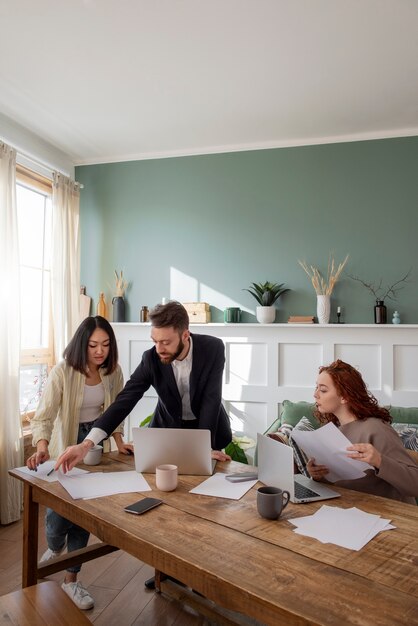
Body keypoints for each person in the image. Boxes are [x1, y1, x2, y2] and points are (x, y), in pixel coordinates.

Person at [27, 315, 132, 609]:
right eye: (94, 345)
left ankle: (71, 579)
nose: (101, 351)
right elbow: (44, 415)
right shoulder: (63, 372)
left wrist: (120, 442)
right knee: (57, 517)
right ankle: (56, 546)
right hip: (67, 442)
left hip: (96, 443)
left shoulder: (114, 373)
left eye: (106, 345)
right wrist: (43, 446)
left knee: (83, 513)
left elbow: (116, 411)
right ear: (81, 345)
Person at [54, 301, 232, 474]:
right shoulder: (151, 359)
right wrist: (86, 444)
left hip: (208, 431)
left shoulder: (212, 348)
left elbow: (211, 398)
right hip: (167, 432)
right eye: (155, 341)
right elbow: (124, 401)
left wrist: (203, 448)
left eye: (166, 342)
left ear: (185, 335)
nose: (158, 348)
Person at [308, 359, 418, 504]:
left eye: (323, 390)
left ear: (344, 397)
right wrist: (317, 475)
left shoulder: (376, 429)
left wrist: (379, 460)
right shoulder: (331, 431)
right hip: (350, 511)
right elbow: (341, 485)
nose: (315, 394)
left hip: (391, 515)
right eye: (316, 388)